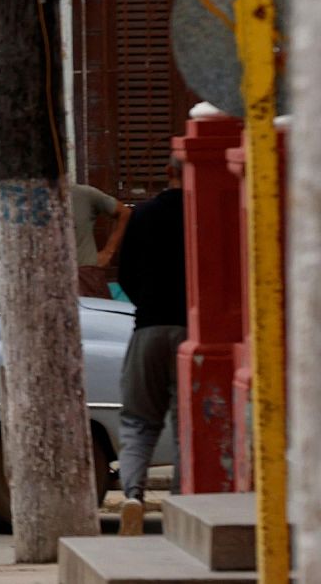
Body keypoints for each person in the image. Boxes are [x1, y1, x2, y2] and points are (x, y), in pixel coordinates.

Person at [113, 159, 188, 537]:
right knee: (185, 425)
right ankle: (180, 501)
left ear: (169, 173)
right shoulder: (204, 213)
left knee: (138, 424)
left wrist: (146, 302)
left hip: (148, 329)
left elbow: (123, 272)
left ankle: (132, 496)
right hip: (193, 335)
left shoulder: (143, 215)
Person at [73, 182, 130, 299]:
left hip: (85, 275)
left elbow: (124, 213)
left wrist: (108, 252)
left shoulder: (83, 194)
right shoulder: (30, 200)